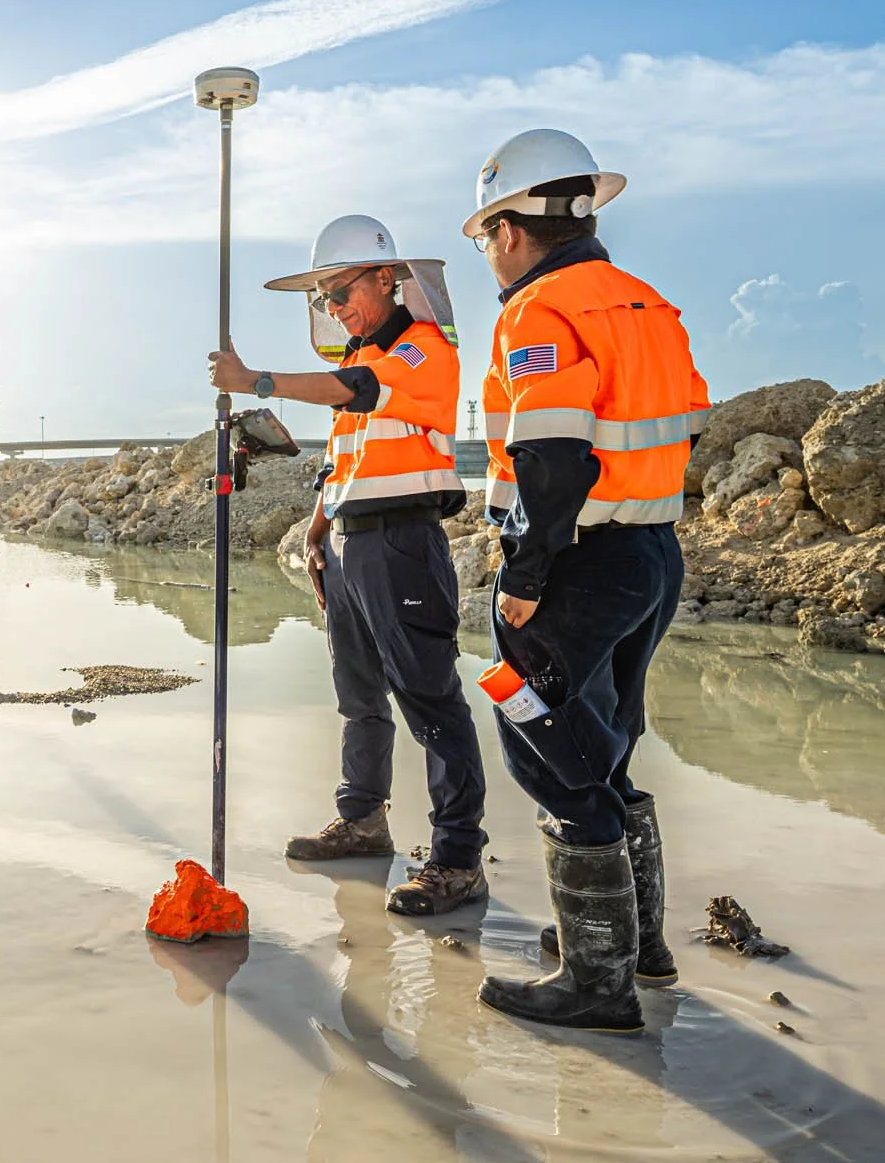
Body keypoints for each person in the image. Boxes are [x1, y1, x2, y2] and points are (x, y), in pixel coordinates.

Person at [464, 130, 709, 1033]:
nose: (488, 254)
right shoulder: (644, 303)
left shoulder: (539, 311)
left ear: (513, 228)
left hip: (570, 565)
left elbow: (553, 456)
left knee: (548, 749)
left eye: (485, 233)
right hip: (650, 555)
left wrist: (526, 572)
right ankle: (635, 945)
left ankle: (596, 984)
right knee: (606, 743)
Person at [208, 215, 490, 915]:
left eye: (341, 290)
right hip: (350, 544)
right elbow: (347, 455)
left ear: (388, 278)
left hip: (404, 542)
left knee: (431, 700)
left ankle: (457, 857)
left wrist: (259, 381)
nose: (335, 307)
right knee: (359, 694)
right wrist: (317, 528)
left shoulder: (423, 351)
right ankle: (363, 817)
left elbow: (358, 392)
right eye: (325, 298)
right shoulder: (361, 356)